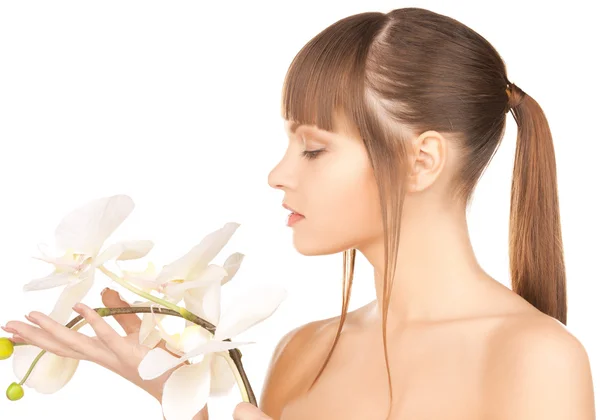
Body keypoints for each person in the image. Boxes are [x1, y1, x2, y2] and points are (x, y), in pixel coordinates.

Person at [2, 6, 595, 420]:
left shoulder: (534, 359)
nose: (278, 174)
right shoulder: (302, 354)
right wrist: (176, 402)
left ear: (421, 160)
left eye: (314, 148)